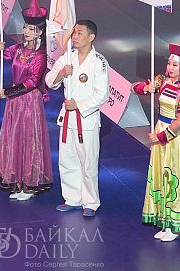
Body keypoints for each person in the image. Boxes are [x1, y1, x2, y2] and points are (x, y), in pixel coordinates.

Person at [0, 0, 53, 200]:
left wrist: (8, 92)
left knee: (29, 139)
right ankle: (17, 181)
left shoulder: (40, 54)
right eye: (25, 27)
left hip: (30, 101)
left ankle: (29, 183)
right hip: (15, 102)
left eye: (31, 29)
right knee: (14, 138)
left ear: (39, 32)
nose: (26, 31)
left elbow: (33, 82)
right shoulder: (18, 49)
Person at [131, 36, 180, 241]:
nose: (170, 67)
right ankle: (164, 220)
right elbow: (134, 87)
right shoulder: (162, 80)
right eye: (169, 63)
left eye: (175, 65)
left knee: (173, 176)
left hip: (174, 138)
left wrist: (160, 137)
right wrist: (146, 88)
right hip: (160, 130)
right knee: (160, 175)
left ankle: (176, 224)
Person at [45, 20, 109, 217]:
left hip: (86, 120)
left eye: (80, 33)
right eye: (74, 33)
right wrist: (61, 74)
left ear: (91, 37)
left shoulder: (98, 62)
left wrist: (79, 105)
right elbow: (49, 81)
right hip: (67, 119)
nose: (75, 37)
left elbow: (102, 95)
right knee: (67, 160)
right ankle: (72, 198)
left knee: (88, 162)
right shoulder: (67, 57)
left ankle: (90, 201)